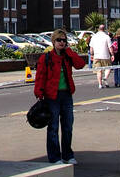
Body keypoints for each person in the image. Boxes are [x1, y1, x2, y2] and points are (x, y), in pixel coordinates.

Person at [34, 29, 85, 164]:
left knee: (68, 126)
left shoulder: (67, 56)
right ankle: (55, 156)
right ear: (53, 41)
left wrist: (70, 52)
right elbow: (40, 76)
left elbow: (80, 64)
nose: (62, 43)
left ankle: (68, 154)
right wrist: (39, 92)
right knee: (53, 127)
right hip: (52, 96)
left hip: (66, 95)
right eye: (59, 40)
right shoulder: (46, 58)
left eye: (64, 40)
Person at [89, 23, 113, 89]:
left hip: (96, 56)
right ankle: (105, 78)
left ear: (98, 29)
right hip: (105, 56)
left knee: (98, 71)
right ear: (104, 29)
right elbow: (110, 47)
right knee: (108, 68)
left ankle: (100, 84)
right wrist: (112, 55)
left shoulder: (94, 37)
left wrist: (91, 55)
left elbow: (91, 48)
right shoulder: (107, 37)